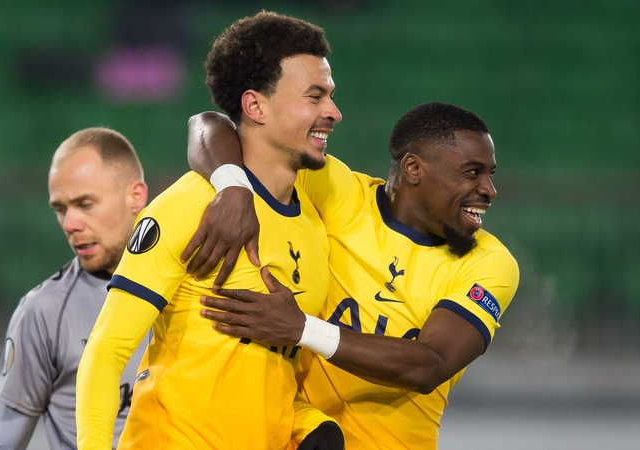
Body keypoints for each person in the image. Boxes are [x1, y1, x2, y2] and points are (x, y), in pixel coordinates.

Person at [75, 11, 344, 449]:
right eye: (314, 97)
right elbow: (106, 352)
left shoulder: (312, 227)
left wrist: (311, 426)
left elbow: (270, 373)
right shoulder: (192, 205)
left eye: (330, 96)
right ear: (255, 105)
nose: (333, 112)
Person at [185, 101, 520, 449]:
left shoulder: (490, 263)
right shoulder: (339, 193)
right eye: (472, 172)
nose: (489, 190)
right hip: (289, 436)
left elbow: (429, 365)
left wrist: (302, 328)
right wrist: (232, 186)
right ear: (414, 168)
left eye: (490, 174)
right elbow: (208, 125)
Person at [0, 128, 150, 450]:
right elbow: (0, 444)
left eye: (85, 204)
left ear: (135, 196)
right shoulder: (43, 312)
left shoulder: (191, 288)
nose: (70, 224)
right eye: (60, 209)